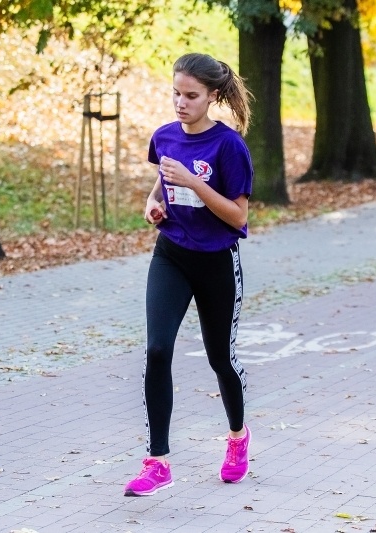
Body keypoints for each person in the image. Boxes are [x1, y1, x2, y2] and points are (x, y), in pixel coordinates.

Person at [123, 53, 254, 497]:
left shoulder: (229, 146)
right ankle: (157, 461)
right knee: (158, 349)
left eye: (191, 95)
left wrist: (197, 185)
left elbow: (237, 216)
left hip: (217, 261)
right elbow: (162, 181)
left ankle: (237, 439)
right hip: (172, 255)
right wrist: (152, 202)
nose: (181, 103)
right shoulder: (164, 137)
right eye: (176, 93)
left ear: (213, 96)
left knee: (221, 358)